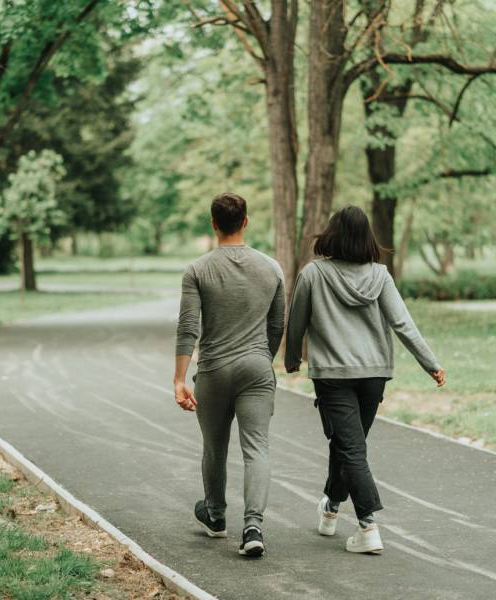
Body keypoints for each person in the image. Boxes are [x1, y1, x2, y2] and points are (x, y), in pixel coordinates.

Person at [284, 205, 446, 554]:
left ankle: (367, 526)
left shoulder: (313, 274)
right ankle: (329, 509)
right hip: (375, 375)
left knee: (350, 447)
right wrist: (429, 362)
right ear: (366, 238)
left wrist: (292, 359)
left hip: (334, 376)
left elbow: (296, 320)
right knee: (348, 445)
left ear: (332, 234)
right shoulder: (380, 276)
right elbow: (402, 322)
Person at [174, 192, 285, 557]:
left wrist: (179, 379)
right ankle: (253, 526)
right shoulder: (271, 268)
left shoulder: (197, 269)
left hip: (213, 371)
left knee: (214, 447)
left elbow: (188, 327)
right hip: (256, 367)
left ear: (214, 224)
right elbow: (277, 324)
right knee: (257, 448)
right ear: (246, 222)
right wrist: (261, 360)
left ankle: (216, 518)